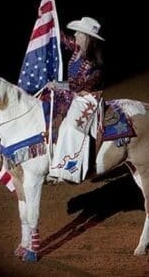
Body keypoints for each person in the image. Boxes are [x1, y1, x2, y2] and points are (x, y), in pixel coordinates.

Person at [47, 16, 105, 184]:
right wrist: (52, 23)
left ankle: (73, 169)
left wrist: (57, 85)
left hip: (88, 99)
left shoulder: (92, 63)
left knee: (72, 127)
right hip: (76, 95)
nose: (75, 35)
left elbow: (77, 86)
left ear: (86, 37)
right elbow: (66, 40)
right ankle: (59, 166)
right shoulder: (78, 49)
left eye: (79, 33)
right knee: (57, 122)